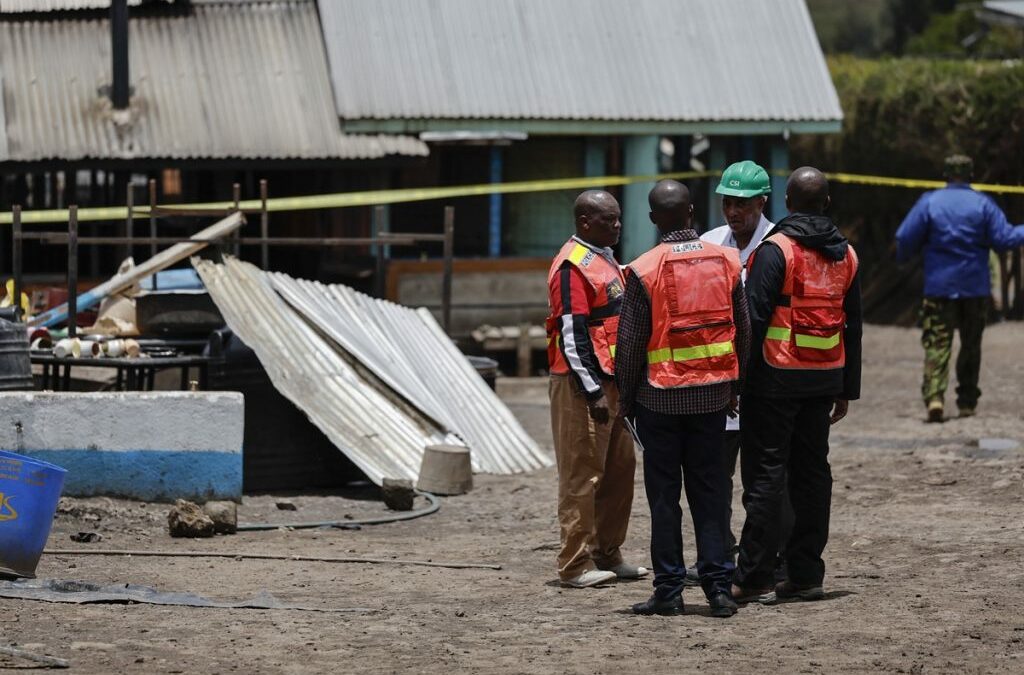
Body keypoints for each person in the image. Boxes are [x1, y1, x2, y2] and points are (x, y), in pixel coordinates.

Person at [616, 180, 751, 618]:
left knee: (663, 499)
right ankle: (718, 589)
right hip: (713, 399)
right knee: (711, 496)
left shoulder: (643, 268)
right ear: (692, 212)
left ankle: (670, 590)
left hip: (659, 401)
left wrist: (625, 397)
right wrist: (735, 385)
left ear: (654, 219)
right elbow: (743, 330)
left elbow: (632, 342)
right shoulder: (727, 260)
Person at [732, 167, 862, 604]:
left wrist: (737, 381)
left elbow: (752, 321)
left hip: (774, 377)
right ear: (826, 203)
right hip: (824, 376)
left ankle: (752, 577)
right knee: (813, 474)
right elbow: (854, 327)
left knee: (766, 477)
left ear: (786, 201)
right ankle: (805, 574)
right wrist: (847, 387)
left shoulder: (777, 250)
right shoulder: (847, 254)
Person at [545, 190, 648, 588]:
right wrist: (592, 392)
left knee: (619, 471)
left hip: (614, 383)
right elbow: (572, 334)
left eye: (619, 219)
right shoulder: (571, 267)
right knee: (581, 476)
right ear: (585, 222)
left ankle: (609, 552)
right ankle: (574, 564)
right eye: (609, 221)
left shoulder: (603, 260)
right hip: (581, 387)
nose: (618, 226)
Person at [699, 160, 792, 571]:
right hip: (718, 384)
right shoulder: (710, 243)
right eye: (727, 202)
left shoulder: (780, 246)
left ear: (762, 202)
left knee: (766, 483)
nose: (734, 212)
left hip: (764, 384)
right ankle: (719, 555)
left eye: (743, 203)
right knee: (715, 479)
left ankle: (766, 559)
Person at [895, 154, 1024, 423]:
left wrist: (906, 257)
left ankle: (934, 397)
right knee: (971, 345)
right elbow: (1005, 239)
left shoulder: (929, 202)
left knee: (937, 344)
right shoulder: (983, 204)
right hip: (975, 288)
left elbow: (905, 238)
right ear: (971, 175)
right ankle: (966, 402)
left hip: (939, 287)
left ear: (945, 174)